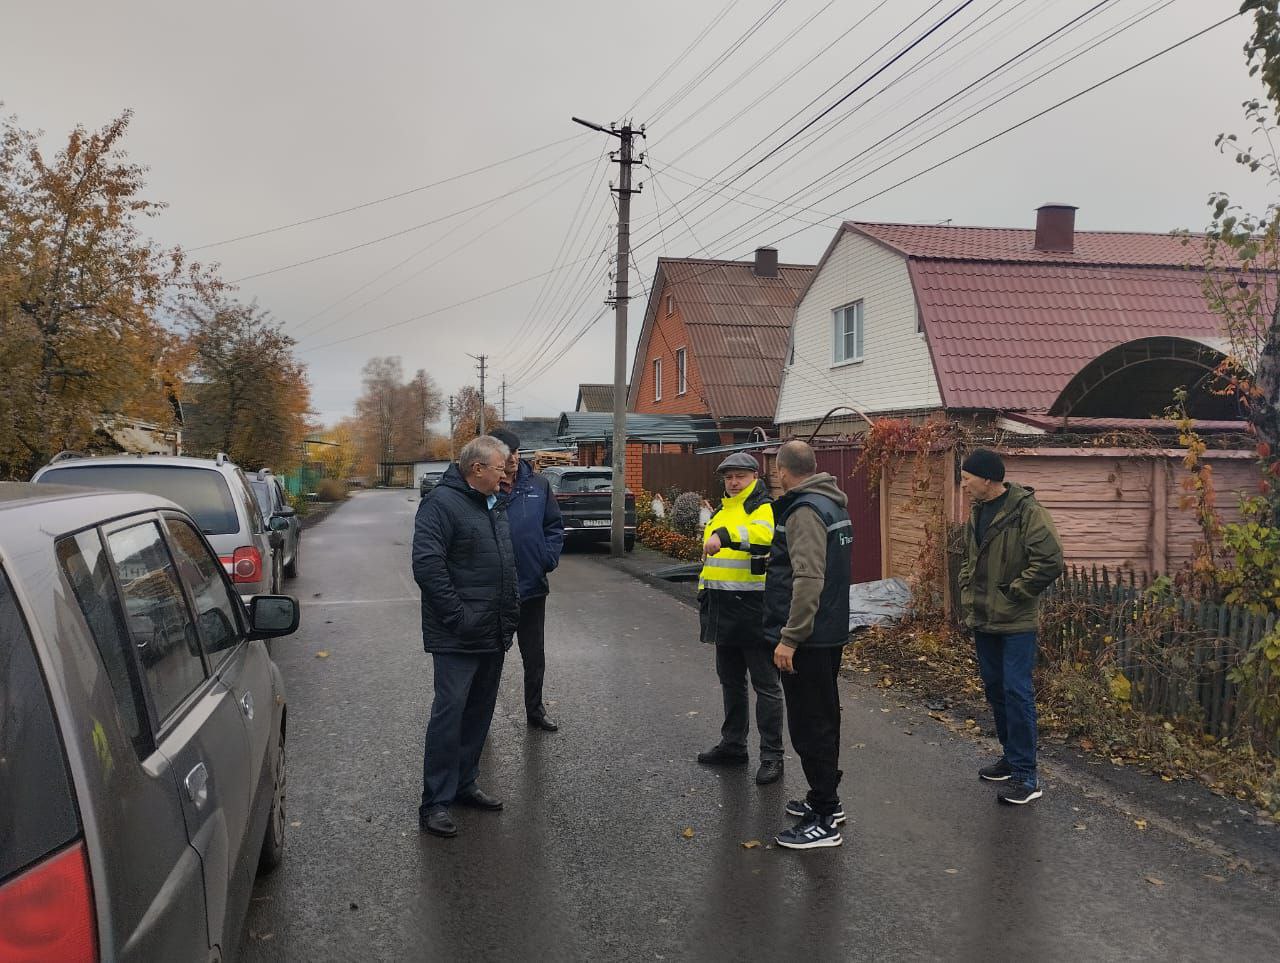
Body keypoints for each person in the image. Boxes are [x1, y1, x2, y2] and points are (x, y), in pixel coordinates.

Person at [412, 435, 520, 838]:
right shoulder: (440, 505)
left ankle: (464, 783)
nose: (506, 472)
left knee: (479, 712)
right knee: (450, 714)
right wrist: (458, 618)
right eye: (500, 467)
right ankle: (435, 802)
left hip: (492, 629)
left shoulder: (492, 504)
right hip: (457, 633)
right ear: (477, 469)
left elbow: (503, 563)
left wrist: (510, 610)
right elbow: (428, 567)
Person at [958, 448, 1064, 806]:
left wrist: (1015, 591)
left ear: (988, 479)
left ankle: (1026, 775)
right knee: (996, 691)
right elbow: (971, 560)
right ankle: (1010, 757)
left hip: (1016, 621)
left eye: (968, 477)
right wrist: (965, 586)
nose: (964, 484)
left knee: (1017, 694)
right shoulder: (977, 512)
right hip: (985, 619)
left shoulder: (1027, 512)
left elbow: (1050, 560)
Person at [764, 440, 852, 851]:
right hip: (828, 630)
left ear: (783, 470)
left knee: (810, 724)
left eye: (775, 469)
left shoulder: (804, 511)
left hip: (810, 637)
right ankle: (824, 802)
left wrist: (790, 638)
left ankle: (824, 818)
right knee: (824, 717)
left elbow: (809, 578)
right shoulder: (832, 503)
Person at [694, 452, 782, 785]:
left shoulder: (761, 507)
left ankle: (772, 756)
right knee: (731, 682)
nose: (733, 482)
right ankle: (734, 746)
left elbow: (762, 537)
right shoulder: (721, 511)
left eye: (740, 476)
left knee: (766, 686)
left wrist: (726, 538)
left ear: (754, 477)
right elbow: (712, 561)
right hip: (721, 609)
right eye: (729, 477)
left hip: (753, 609)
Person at [489, 428, 565, 732]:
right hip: (495, 591)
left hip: (533, 587)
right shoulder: (485, 487)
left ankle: (535, 711)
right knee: (490, 659)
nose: (512, 459)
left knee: (534, 656)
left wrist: (547, 559)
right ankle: (483, 718)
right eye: (506, 454)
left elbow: (554, 526)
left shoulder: (539, 485)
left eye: (516, 452)